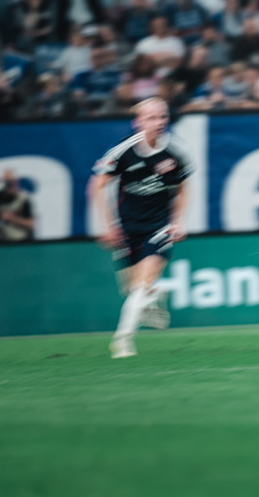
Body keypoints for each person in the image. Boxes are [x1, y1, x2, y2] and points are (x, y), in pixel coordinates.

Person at [88, 98, 193, 358]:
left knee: (139, 287)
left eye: (162, 117)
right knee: (132, 290)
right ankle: (157, 296)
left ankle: (122, 341)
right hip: (127, 228)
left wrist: (178, 222)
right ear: (138, 122)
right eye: (151, 118)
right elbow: (97, 186)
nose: (158, 123)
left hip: (158, 226)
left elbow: (181, 189)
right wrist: (108, 226)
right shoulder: (123, 151)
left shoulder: (176, 153)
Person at [0, 170, 35, 242]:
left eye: (10, 182)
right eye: (5, 181)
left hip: (21, 241)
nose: (7, 185)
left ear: (16, 182)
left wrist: (11, 218)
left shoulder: (23, 199)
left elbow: (31, 224)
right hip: (3, 241)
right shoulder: (0, 197)